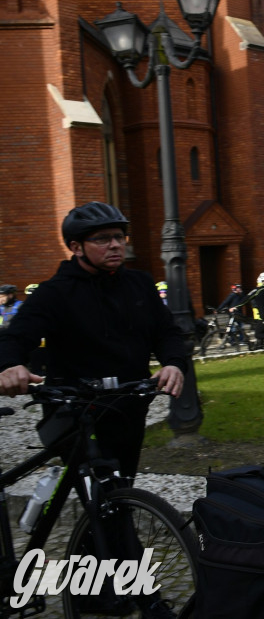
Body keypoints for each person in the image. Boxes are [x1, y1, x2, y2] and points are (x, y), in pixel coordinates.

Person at [0, 201, 187, 618]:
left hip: (126, 411)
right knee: (112, 506)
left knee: (104, 503)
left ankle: (90, 593)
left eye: (120, 237)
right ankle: (151, 602)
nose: (116, 246)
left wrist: (173, 362)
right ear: (76, 247)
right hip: (73, 414)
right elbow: (17, 338)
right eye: (103, 239)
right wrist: (9, 366)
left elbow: (168, 334)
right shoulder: (55, 293)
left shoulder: (138, 286)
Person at [231, 272, 264, 348]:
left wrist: (236, 307)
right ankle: (261, 346)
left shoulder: (257, 290)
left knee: (258, 334)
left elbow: (246, 299)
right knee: (261, 332)